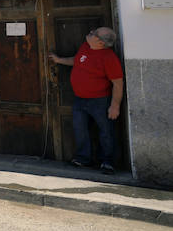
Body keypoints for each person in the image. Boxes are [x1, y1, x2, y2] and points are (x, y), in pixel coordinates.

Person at [49, 26, 124, 174]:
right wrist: (59, 60)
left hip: (100, 101)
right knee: (80, 130)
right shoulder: (85, 46)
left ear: (101, 42)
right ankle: (83, 159)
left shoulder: (109, 58)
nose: (90, 32)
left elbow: (117, 83)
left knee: (106, 131)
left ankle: (108, 162)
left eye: (94, 33)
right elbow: (77, 60)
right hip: (80, 99)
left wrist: (115, 106)